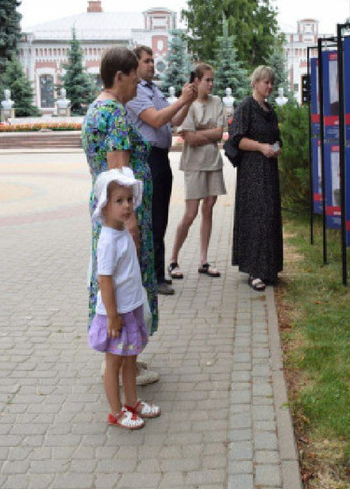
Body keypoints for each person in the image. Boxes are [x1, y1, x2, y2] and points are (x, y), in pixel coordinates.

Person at [82, 47, 159, 386]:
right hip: (122, 216)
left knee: (112, 280)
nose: (137, 87)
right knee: (129, 285)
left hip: (107, 213)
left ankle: (120, 362)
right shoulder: (113, 114)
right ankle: (124, 364)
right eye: (133, 79)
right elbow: (118, 171)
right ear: (119, 77)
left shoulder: (95, 109)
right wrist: (130, 223)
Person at [87, 169, 161, 430]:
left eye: (129, 199)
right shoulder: (107, 240)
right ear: (105, 206)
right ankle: (116, 412)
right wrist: (113, 315)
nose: (127, 205)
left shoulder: (121, 232)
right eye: (119, 201)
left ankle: (132, 402)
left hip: (130, 307)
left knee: (131, 357)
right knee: (114, 362)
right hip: (115, 313)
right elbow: (104, 280)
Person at [126, 45, 197, 295]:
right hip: (147, 159)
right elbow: (156, 119)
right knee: (152, 219)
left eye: (153, 60)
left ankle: (157, 274)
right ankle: (153, 277)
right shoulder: (136, 93)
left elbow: (175, 120)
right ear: (134, 65)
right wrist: (182, 100)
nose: (151, 65)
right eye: (146, 61)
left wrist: (187, 101)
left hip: (160, 160)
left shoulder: (153, 89)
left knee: (161, 219)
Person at [168, 63, 226, 280]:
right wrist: (209, 133)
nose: (211, 84)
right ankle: (173, 260)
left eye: (212, 80)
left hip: (213, 162)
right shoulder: (188, 105)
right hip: (193, 163)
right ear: (196, 81)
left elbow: (220, 133)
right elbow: (188, 137)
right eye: (207, 80)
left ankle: (203, 260)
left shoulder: (217, 101)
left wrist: (204, 132)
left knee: (209, 208)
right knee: (190, 213)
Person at [228, 66, 283, 291]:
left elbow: (277, 137)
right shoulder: (245, 107)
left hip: (269, 170)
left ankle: (269, 268)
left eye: (271, 83)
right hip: (252, 172)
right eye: (265, 82)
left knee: (269, 216)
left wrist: (276, 148)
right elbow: (236, 140)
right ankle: (254, 271)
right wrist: (261, 147)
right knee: (255, 217)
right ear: (255, 83)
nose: (269, 86)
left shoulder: (269, 110)